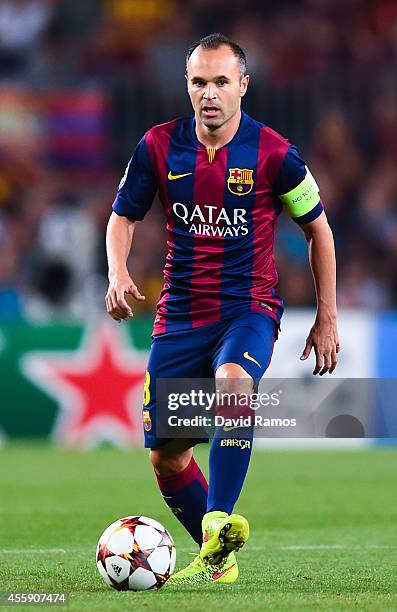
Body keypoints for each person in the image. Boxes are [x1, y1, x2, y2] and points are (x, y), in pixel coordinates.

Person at [105, 32, 340, 585]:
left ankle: (219, 517)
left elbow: (319, 232)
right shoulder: (158, 147)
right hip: (179, 316)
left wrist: (326, 315)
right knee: (167, 457)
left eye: (220, 82)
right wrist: (117, 272)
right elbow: (122, 218)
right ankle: (219, 561)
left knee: (234, 381)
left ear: (243, 87)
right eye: (198, 83)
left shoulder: (276, 153)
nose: (209, 94)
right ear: (187, 87)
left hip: (248, 309)